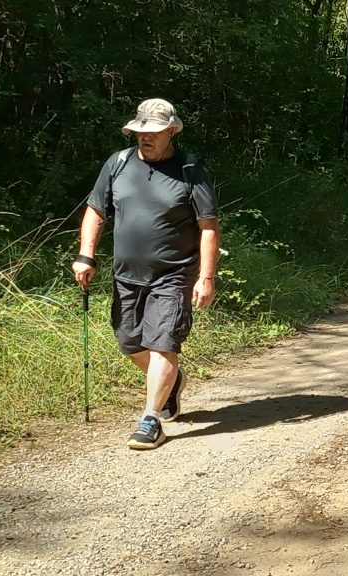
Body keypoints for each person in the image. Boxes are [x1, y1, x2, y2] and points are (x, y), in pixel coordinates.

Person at [72, 98, 220, 450]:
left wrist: (206, 277)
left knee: (162, 343)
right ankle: (172, 382)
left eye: (153, 132)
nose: (145, 137)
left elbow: (209, 226)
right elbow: (95, 211)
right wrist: (85, 255)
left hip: (174, 274)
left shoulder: (189, 169)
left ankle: (150, 420)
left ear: (172, 131)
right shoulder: (118, 163)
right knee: (130, 342)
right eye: (140, 131)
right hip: (126, 275)